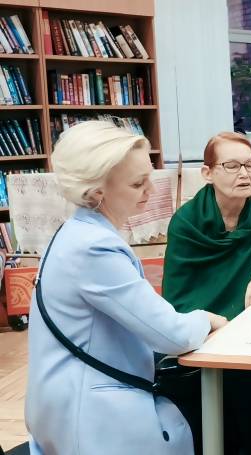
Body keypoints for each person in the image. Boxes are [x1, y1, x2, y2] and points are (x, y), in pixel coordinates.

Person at [25, 121, 227, 455]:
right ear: (96, 192)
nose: (150, 190)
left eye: (149, 177)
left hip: (62, 404)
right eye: (137, 183)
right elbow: (172, 335)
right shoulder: (95, 249)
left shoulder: (73, 233)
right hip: (91, 419)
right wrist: (206, 319)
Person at [163, 131, 251, 454]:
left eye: (250, 165)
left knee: (241, 383)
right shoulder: (186, 222)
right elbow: (178, 301)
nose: (245, 173)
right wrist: (217, 328)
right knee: (235, 384)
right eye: (231, 166)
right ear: (207, 173)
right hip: (202, 339)